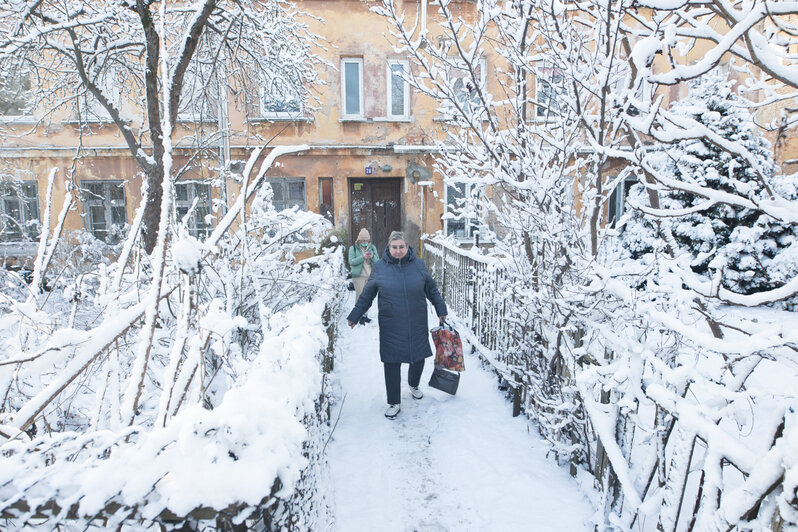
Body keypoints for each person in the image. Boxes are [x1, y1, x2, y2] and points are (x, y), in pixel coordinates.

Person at [347, 231, 447, 419]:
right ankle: (394, 401)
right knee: (391, 363)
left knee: (418, 357)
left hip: (416, 321)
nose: (398, 251)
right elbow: (367, 294)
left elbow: (431, 289)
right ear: (389, 248)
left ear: (407, 247)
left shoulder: (418, 265)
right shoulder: (379, 267)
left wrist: (441, 309)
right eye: (395, 247)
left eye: (402, 247)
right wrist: (355, 314)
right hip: (391, 324)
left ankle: (413, 384)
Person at [348, 228, 380, 324]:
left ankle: (365, 315)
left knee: (368, 296)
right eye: (363, 240)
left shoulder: (372, 248)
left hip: (370, 276)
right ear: (359, 240)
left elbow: (377, 261)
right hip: (358, 276)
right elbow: (351, 261)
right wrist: (363, 257)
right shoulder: (353, 248)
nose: (365, 242)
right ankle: (358, 316)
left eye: (366, 240)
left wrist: (372, 256)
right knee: (360, 296)